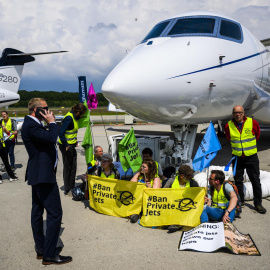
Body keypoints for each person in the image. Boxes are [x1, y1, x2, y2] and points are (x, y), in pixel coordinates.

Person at [21, 98, 72, 265]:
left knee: (37, 212)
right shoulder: (31, 125)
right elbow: (51, 138)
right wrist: (52, 123)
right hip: (43, 176)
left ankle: (42, 249)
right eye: (46, 109)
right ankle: (49, 254)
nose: (49, 112)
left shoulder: (33, 123)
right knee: (55, 213)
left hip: (39, 173)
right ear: (36, 110)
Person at [224, 105, 266, 214]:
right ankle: (240, 201)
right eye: (235, 113)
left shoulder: (252, 122)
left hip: (251, 157)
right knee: (238, 180)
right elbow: (229, 137)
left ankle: (258, 203)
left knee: (255, 180)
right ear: (233, 114)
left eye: (240, 112)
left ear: (243, 113)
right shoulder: (228, 125)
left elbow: (257, 135)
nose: (237, 114)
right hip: (237, 157)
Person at [58, 103, 87, 196]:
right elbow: (61, 133)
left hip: (72, 146)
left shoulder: (75, 118)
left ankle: (71, 186)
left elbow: (70, 133)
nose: (82, 116)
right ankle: (67, 189)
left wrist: (74, 143)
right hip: (66, 146)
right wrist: (66, 144)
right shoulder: (69, 118)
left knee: (73, 167)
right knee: (68, 168)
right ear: (78, 112)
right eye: (81, 114)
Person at [163, 165, 198, 233]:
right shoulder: (171, 181)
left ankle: (176, 224)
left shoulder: (193, 183)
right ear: (182, 176)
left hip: (186, 206)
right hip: (172, 206)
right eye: (189, 175)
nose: (192, 176)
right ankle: (172, 223)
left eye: (191, 174)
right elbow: (163, 193)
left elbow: (198, 195)